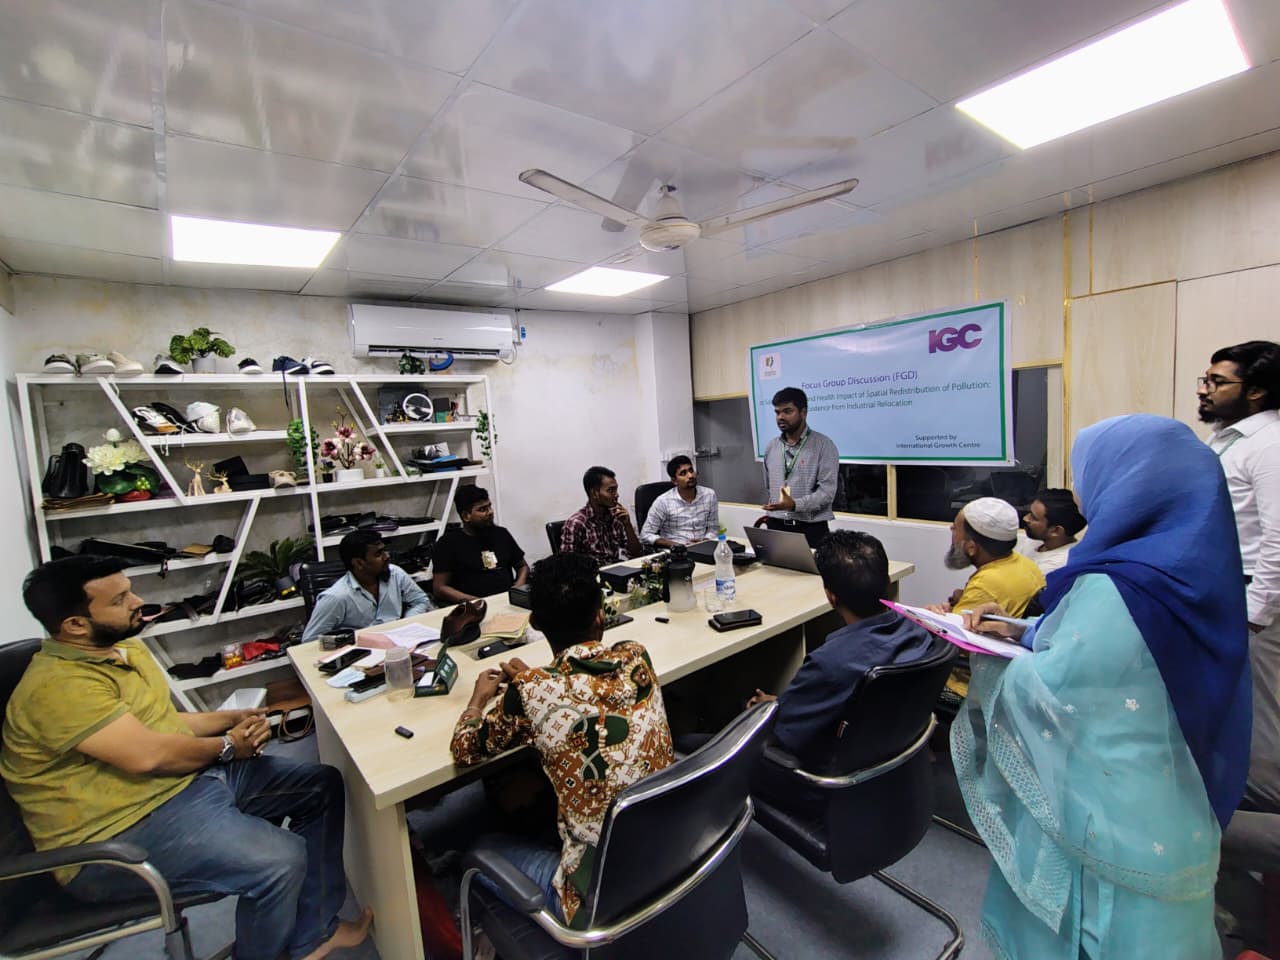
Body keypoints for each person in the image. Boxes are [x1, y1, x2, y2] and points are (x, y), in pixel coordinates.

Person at [953, 414, 1251, 959]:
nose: (1081, 496)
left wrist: (985, 658)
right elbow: (1116, 647)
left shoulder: (1120, 582)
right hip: (1169, 783)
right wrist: (1023, 629)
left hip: (1110, 802)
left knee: (1095, 928)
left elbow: (1056, 688)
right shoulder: (1190, 563)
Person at [0, 556, 371, 960]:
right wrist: (228, 745)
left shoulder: (122, 649)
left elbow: (160, 722)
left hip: (182, 785)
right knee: (279, 861)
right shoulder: (56, 688)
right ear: (75, 624)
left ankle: (312, 934)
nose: (137, 602)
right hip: (119, 834)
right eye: (119, 599)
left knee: (319, 785)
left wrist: (230, 720)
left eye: (129, 591)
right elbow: (148, 754)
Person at [449, 552, 674, 927]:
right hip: (671, 852)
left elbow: (465, 749)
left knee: (480, 846)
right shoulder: (636, 656)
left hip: (596, 902)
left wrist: (478, 700)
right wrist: (536, 681)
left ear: (535, 623)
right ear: (600, 615)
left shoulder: (532, 691)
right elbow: (581, 687)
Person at [741, 531, 934, 816]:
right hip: (889, 764)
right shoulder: (920, 630)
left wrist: (768, 709)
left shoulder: (830, 663)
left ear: (831, 596)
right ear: (886, 581)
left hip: (824, 782)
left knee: (698, 741)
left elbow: (782, 733)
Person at [1197, 339, 1280, 813]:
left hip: (1254, 600)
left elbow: (1277, 536)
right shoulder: (1227, 439)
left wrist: (1256, 613)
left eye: (1217, 382)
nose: (1204, 390)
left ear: (1257, 390)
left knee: (1259, 713)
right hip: (1226, 591)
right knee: (1230, 708)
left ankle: (1261, 820)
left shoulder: (1270, 444)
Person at [301, 529, 431, 641]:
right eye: (378, 554)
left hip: (398, 643)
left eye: (385, 551)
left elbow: (420, 601)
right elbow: (309, 641)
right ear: (359, 563)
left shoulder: (395, 574)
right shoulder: (336, 598)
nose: (387, 556)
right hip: (360, 651)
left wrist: (405, 625)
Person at [929, 496, 1045, 616]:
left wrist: (928, 615)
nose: (951, 529)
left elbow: (952, 628)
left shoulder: (984, 586)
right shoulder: (1026, 564)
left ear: (971, 547)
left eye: (955, 528)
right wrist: (964, 598)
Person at [754, 386, 839, 547]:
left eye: (787, 411)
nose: (781, 417)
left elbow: (827, 493)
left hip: (811, 528)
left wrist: (795, 505)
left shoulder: (823, 445)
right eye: (777, 412)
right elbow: (769, 486)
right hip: (776, 525)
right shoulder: (771, 447)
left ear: (803, 412)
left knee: (814, 565)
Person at [431, 485, 528, 603]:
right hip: (472, 606)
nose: (490, 512)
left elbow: (522, 567)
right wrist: (477, 602)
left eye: (490, 506)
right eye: (482, 509)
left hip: (508, 602)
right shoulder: (448, 543)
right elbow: (440, 588)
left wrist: (518, 587)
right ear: (466, 516)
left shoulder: (501, 534)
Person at [559, 465, 644, 566]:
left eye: (616, 490)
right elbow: (567, 565)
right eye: (611, 490)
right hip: (591, 573)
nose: (617, 495)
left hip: (616, 570)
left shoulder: (617, 517)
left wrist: (627, 525)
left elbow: (637, 554)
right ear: (594, 493)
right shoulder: (576, 523)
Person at [640, 455, 720, 548]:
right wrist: (676, 545)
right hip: (676, 551)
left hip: (702, 548)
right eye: (683, 473)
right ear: (674, 481)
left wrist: (704, 541)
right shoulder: (663, 502)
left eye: (691, 470)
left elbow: (713, 528)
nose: (690, 476)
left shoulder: (709, 495)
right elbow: (645, 535)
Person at [1016, 488, 1087, 575]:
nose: (1026, 518)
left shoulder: (1053, 567)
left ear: (1056, 531)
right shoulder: (1040, 540)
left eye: (1033, 517)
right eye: (1029, 513)